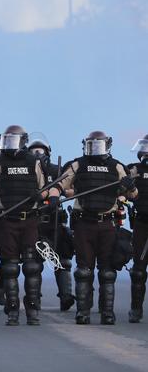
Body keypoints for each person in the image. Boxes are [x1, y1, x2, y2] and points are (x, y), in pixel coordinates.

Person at [48, 131, 136, 325]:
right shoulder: (77, 165)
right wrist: (54, 197)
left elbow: (132, 194)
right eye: (91, 145)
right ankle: (83, 312)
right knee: (84, 270)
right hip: (83, 224)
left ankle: (107, 313)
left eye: (99, 145)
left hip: (107, 224)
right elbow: (59, 185)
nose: (95, 149)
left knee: (107, 272)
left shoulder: (117, 167)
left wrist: (130, 187)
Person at [0, 125, 54, 326]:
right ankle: (12, 311)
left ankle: (32, 311)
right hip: (7, 221)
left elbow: (45, 189)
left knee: (32, 267)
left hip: (30, 219)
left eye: (14, 140)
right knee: (10, 267)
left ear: (23, 142)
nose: (10, 145)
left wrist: (40, 195)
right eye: (8, 140)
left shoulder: (34, 162)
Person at [28, 138, 75, 311]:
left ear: (48, 153)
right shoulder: (27, 171)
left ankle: (66, 296)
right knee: (34, 263)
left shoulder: (58, 170)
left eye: (41, 151)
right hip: (35, 221)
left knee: (63, 260)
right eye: (34, 151)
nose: (38, 155)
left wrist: (60, 192)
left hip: (55, 220)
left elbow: (73, 189)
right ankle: (34, 298)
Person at [128, 134, 148, 323]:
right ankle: (136, 309)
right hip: (142, 223)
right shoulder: (133, 170)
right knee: (139, 270)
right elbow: (123, 193)